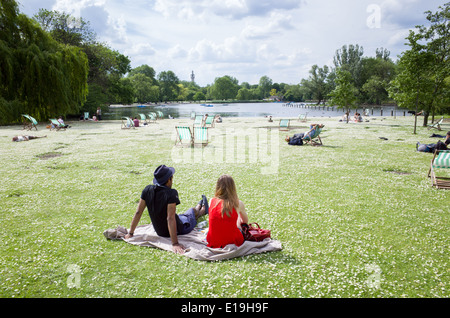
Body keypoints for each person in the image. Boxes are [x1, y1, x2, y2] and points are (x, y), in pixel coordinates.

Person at [124, 165, 208, 254]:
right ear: (168, 180)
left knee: (184, 215)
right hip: (179, 228)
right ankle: (202, 209)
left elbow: (138, 212)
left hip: (160, 231)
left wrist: (131, 233)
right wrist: (175, 243)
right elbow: (170, 218)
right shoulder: (170, 193)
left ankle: (199, 205)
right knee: (191, 212)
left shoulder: (147, 190)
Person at [206, 175, 249, 248]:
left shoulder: (211, 201)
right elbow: (245, 221)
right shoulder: (238, 204)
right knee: (238, 221)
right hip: (233, 241)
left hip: (213, 241)